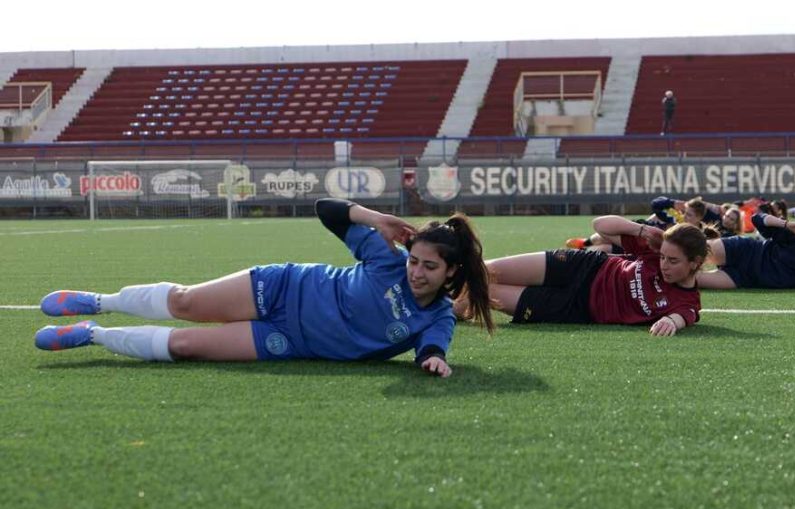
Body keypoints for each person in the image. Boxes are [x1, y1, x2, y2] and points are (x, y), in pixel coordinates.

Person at [34, 200, 493, 377]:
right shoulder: (385, 261)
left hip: (290, 340)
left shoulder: (437, 316)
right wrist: (374, 219)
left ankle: (91, 333)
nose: (416, 272)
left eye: (429, 268)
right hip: (281, 288)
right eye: (414, 260)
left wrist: (434, 359)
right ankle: (101, 301)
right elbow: (326, 210)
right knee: (185, 302)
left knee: (190, 345)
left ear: (450, 274)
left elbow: (433, 346)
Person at [481, 216, 713, 336]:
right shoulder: (652, 250)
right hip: (583, 266)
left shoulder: (688, 304)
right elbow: (600, 225)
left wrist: (669, 321)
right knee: (484, 271)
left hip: (575, 308)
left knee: (480, 291)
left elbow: (683, 317)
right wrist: (641, 230)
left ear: (695, 263)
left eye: (673, 261)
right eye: (663, 257)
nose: (664, 265)